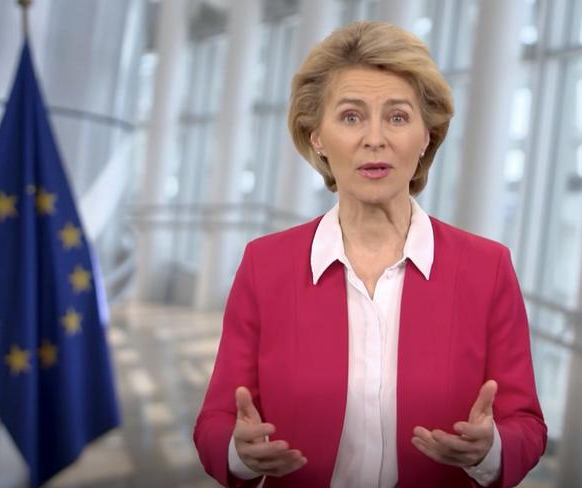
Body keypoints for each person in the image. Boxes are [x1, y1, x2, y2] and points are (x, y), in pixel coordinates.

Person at [193, 21, 547, 488]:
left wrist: (491, 450)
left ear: (426, 136)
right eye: (351, 116)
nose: (374, 138)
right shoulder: (265, 266)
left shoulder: (487, 268)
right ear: (317, 136)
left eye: (397, 117)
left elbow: (526, 423)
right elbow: (215, 421)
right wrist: (239, 452)